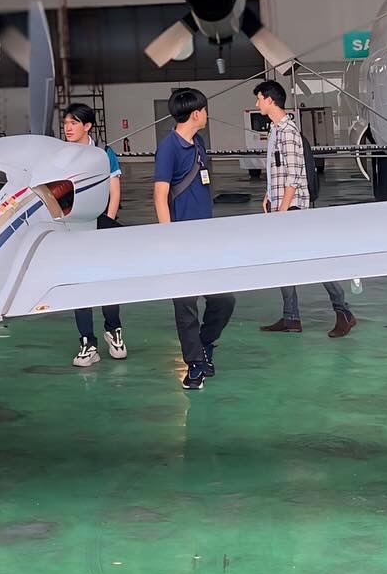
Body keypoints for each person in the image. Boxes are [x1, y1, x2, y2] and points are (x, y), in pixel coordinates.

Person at [253, 79, 356, 338]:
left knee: (312, 260)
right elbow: (279, 169)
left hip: (292, 208)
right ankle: (291, 317)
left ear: (270, 100)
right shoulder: (276, 130)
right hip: (282, 205)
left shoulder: (288, 132)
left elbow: (294, 175)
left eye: (259, 98)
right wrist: (269, 194)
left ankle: (343, 311)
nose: (257, 103)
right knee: (283, 261)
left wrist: (283, 210)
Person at [152, 87, 236, 390]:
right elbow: (160, 195)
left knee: (224, 300)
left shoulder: (198, 143)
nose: (207, 114)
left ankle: (204, 344)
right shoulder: (169, 148)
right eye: (205, 109)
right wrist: (169, 238)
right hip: (181, 240)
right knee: (186, 306)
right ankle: (195, 362)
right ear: (196, 113)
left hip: (206, 239)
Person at [62, 102, 126, 366]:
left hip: (102, 224)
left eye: (74, 122)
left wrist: (108, 222)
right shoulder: (61, 155)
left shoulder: (103, 153)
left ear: (87, 126)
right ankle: (87, 342)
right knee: (80, 283)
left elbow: (114, 189)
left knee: (107, 280)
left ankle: (113, 330)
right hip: (74, 226)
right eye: (66, 123)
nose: (68, 128)